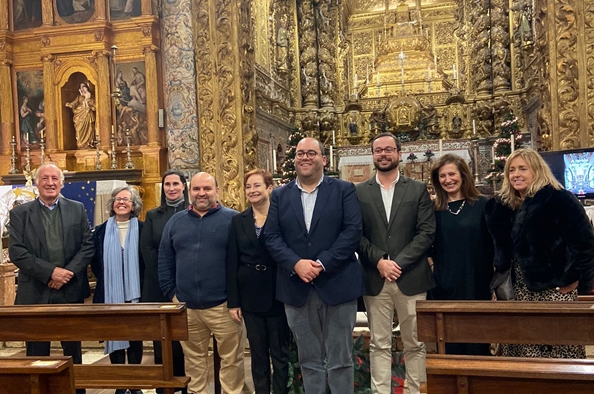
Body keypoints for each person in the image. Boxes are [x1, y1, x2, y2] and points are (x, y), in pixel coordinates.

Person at [265, 137, 363, 394]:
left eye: (311, 153)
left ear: (323, 159)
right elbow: (271, 237)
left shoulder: (343, 190)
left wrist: (321, 264)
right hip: (297, 287)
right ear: (294, 159)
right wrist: (296, 264)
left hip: (338, 284)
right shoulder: (279, 195)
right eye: (300, 153)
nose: (304, 158)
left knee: (341, 359)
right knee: (309, 360)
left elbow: (352, 232)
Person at [485, 148, 594, 358]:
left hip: (553, 291)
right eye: (512, 170)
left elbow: (586, 244)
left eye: (523, 169)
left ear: (537, 170)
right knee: (521, 352)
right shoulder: (504, 206)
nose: (516, 174)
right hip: (516, 292)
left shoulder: (560, 199)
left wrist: (579, 284)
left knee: (557, 351)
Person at [356, 132, 435, 394]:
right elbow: (356, 234)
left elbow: (426, 232)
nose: (383, 154)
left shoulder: (417, 189)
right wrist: (379, 261)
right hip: (375, 278)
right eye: (378, 150)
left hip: (410, 277)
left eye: (388, 150)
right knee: (379, 344)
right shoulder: (359, 192)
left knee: (415, 343)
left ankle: (415, 391)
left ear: (399, 154)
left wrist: (396, 263)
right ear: (373, 155)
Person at [159, 172, 249, 394]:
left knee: (232, 361)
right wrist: (173, 294)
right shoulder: (175, 222)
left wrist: (235, 299)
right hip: (187, 308)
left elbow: (244, 262)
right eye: (197, 189)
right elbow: (164, 260)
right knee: (194, 362)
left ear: (217, 191)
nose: (202, 194)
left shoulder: (233, 220)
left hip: (224, 307)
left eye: (207, 189)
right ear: (190, 192)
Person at [9, 163, 94, 394]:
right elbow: (17, 251)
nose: (50, 182)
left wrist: (66, 274)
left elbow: (87, 246)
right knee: (36, 350)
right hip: (35, 291)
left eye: (55, 178)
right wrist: (50, 272)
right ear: (37, 183)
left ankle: (75, 390)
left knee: (72, 349)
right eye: (45, 178)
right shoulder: (20, 214)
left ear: (62, 183)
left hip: (70, 289)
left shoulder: (77, 209)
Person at [226, 169, 290, 394]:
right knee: (258, 353)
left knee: (280, 353)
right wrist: (233, 302)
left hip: (278, 291)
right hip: (250, 294)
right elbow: (232, 261)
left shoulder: (282, 216)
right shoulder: (238, 220)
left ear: (269, 188)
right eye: (248, 187)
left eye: (257, 186)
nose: (252, 191)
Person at [429, 154, 493, 355]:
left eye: (451, 174)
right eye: (442, 176)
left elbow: (494, 244)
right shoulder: (433, 209)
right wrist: (433, 267)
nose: (447, 180)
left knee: (477, 343)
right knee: (450, 345)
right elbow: (425, 244)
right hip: (445, 284)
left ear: (463, 175)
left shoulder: (483, 204)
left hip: (477, 282)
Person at [140, 170, 189, 394]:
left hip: (186, 284)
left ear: (183, 187)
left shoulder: (192, 212)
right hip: (158, 285)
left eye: (175, 184)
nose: (171, 188)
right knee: (162, 339)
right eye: (167, 184)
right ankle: (164, 386)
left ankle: (184, 383)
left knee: (184, 340)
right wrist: (164, 276)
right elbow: (147, 249)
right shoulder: (153, 215)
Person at [91, 186, 144, 394]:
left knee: (135, 337)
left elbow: (146, 261)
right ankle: (121, 385)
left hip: (136, 294)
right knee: (114, 335)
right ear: (112, 204)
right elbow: (95, 263)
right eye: (118, 199)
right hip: (110, 293)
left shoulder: (142, 228)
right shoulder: (102, 231)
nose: (121, 203)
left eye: (126, 200)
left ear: (134, 205)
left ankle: (135, 384)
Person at [65, 82, 96, 149]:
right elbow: (74, 102)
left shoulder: (89, 96)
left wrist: (88, 102)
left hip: (87, 115)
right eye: (81, 87)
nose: (82, 89)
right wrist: (70, 104)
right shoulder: (79, 97)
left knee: (89, 128)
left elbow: (94, 105)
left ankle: (88, 143)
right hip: (79, 116)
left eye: (83, 87)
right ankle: (80, 144)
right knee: (79, 130)